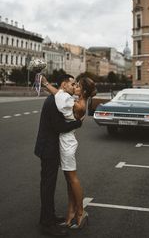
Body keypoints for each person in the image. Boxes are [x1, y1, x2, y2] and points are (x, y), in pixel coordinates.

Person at [41, 75, 96, 229]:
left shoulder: (77, 104)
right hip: (66, 140)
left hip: (67, 142)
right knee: (68, 179)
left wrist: (46, 83)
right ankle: (71, 211)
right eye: (74, 84)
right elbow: (60, 94)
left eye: (77, 85)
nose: (74, 87)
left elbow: (59, 94)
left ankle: (80, 212)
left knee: (72, 178)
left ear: (83, 91)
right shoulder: (77, 101)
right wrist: (48, 84)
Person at [34, 74, 84, 236]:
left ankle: (49, 216)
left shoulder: (57, 97)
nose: (74, 86)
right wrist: (78, 123)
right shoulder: (56, 100)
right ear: (64, 84)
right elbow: (58, 127)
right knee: (48, 187)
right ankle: (47, 224)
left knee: (49, 185)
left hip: (48, 147)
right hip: (48, 149)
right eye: (72, 84)